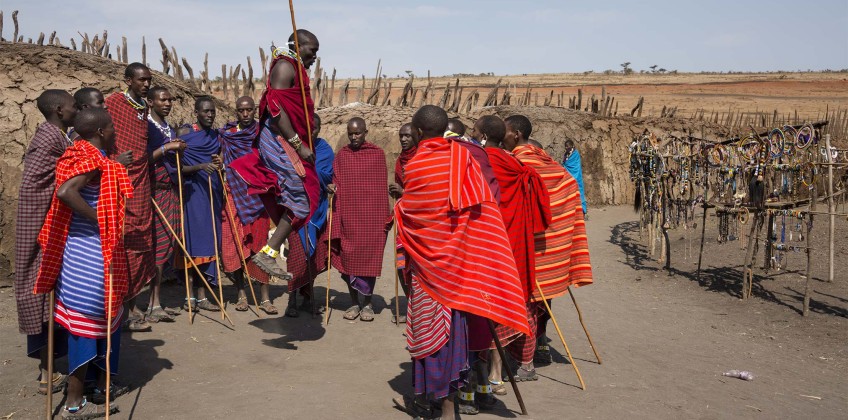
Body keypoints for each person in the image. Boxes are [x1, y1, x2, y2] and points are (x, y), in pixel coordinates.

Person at [395, 105, 529, 420]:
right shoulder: (464, 160)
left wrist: (399, 206)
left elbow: (413, 214)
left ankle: (437, 402)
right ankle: (446, 402)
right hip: (457, 269)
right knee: (452, 334)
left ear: (416, 133)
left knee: (428, 333)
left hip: (428, 272)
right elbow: (480, 212)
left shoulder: (415, 166)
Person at [34, 108, 133, 418]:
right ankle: (75, 406)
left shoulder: (81, 153)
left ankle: (96, 386)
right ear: (102, 131)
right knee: (87, 326)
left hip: (80, 252)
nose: (116, 131)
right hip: (88, 256)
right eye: (112, 127)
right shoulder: (90, 159)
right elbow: (66, 192)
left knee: (98, 320)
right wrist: (101, 220)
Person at [503, 115, 593, 367]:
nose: (503, 137)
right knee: (542, 297)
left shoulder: (518, 165)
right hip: (552, 249)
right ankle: (540, 345)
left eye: (507, 132)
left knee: (526, 301)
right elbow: (569, 189)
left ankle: (526, 361)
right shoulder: (550, 164)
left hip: (526, 247)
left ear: (517, 134)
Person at [230, 30, 320, 279]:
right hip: (279, 141)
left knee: (303, 198)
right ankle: (268, 252)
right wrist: (298, 143)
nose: (314, 57)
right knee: (301, 199)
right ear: (299, 46)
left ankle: (270, 251)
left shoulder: (294, 67)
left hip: (287, 140)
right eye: (312, 50)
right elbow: (276, 108)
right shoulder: (285, 66)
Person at [474, 115, 552, 396]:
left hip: (491, 244)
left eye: (475, 132)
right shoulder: (516, 164)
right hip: (517, 243)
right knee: (511, 300)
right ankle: (501, 372)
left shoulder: (481, 161)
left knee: (489, 305)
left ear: (482, 136)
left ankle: (491, 373)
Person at [15, 89, 76, 396]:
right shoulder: (48, 139)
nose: (76, 109)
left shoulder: (62, 136)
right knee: (44, 295)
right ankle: (45, 373)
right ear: (58, 109)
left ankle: (50, 367)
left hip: (57, 226)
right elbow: (35, 188)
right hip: (44, 229)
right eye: (72, 106)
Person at [105, 62, 155, 332]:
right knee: (123, 239)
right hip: (120, 179)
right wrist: (115, 161)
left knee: (140, 238)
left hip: (141, 181)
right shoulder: (112, 103)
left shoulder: (145, 108)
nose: (146, 84)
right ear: (127, 80)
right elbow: (93, 136)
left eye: (148, 80)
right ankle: (119, 307)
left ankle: (133, 302)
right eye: (141, 80)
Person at [218, 96, 276, 314]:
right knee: (236, 243)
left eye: (249, 110)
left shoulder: (263, 133)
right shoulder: (228, 136)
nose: (245, 114)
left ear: (254, 110)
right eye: (241, 110)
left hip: (258, 198)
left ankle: (264, 298)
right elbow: (222, 158)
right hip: (234, 195)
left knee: (261, 245)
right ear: (236, 111)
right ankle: (241, 294)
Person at [329, 117, 389, 322]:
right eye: (351, 133)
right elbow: (336, 179)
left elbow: (381, 190)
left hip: (371, 218)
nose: (354, 137)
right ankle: (354, 302)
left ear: (366, 132)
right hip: (348, 215)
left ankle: (368, 303)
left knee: (369, 259)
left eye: (358, 133)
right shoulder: (342, 156)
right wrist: (332, 186)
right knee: (348, 259)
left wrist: (383, 218)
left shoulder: (377, 155)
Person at [175, 97, 224, 312]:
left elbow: (220, 161)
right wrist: (201, 166)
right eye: (205, 111)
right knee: (192, 244)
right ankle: (189, 295)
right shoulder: (185, 134)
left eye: (212, 111)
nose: (210, 115)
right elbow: (176, 169)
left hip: (212, 193)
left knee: (209, 242)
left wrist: (219, 164)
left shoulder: (216, 136)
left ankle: (203, 296)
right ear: (196, 112)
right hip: (192, 195)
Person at [284, 113, 334, 317]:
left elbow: (326, 173)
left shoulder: (324, 149)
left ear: (319, 129)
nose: (311, 131)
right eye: (308, 127)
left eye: (315, 128)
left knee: (313, 255)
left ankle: (307, 295)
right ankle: (291, 298)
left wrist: (307, 166)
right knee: (296, 254)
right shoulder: (292, 147)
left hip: (317, 210)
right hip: (296, 208)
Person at [146, 86, 185, 322]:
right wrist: (167, 148)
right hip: (151, 193)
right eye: (163, 100)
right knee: (154, 249)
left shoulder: (169, 129)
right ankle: (149, 304)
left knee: (166, 247)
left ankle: (155, 302)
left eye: (170, 100)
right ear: (150, 102)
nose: (168, 103)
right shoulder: (145, 127)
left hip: (170, 191)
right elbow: (142, 158)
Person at [388, 123, 416, 323]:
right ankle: (410, 304)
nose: (403, 139)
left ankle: (418, 309)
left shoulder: (422, 160)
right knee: (400, 265)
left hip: (419, 224)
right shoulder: (400, 161)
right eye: (401, 136)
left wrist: (403, 192)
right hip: (403, 221)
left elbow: (427, 195)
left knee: (416, 269)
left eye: (407, 136)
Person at [562, 139, 588, 219]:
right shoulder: (566, 154)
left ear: (572, 146)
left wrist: (572, 176)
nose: (567, 148)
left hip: (576, 177)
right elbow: (564, 164)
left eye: (568, 146)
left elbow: (575, 167)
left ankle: (582, 212)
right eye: (566, 146)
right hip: (568, 178)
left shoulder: (576, 154)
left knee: (579, 193)